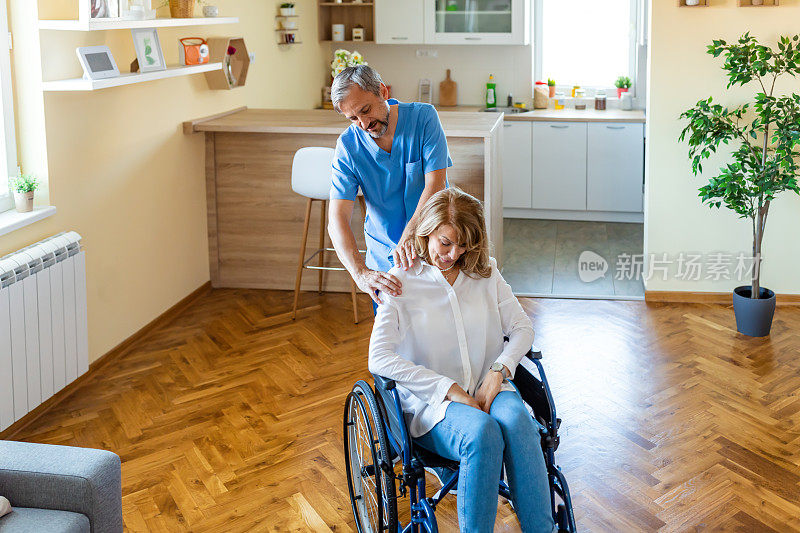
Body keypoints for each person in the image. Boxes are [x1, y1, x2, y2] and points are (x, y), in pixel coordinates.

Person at [368, 188, 555, 533]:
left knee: (520, 425)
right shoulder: (401, 282)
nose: (454, 254)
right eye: (445, 243)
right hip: (434, 405)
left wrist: (499, 371)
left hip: (490, 384)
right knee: (482, 433)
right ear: (427, 231)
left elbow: (522, 328)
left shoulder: (485, 274)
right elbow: (378, 358)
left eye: (464, 245)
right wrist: (449, 388)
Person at [327, 65, 451, 310]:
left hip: (436, 247)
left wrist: (410, 234)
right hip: (386, 259)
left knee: (443, 333)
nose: (363, 123)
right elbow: (337, 218)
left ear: (382, 92)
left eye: (366, 110)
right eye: (353, 118)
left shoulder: (423, 117)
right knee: (394, 338)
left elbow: (435, 185)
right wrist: (360, 272)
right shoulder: (348, 147)